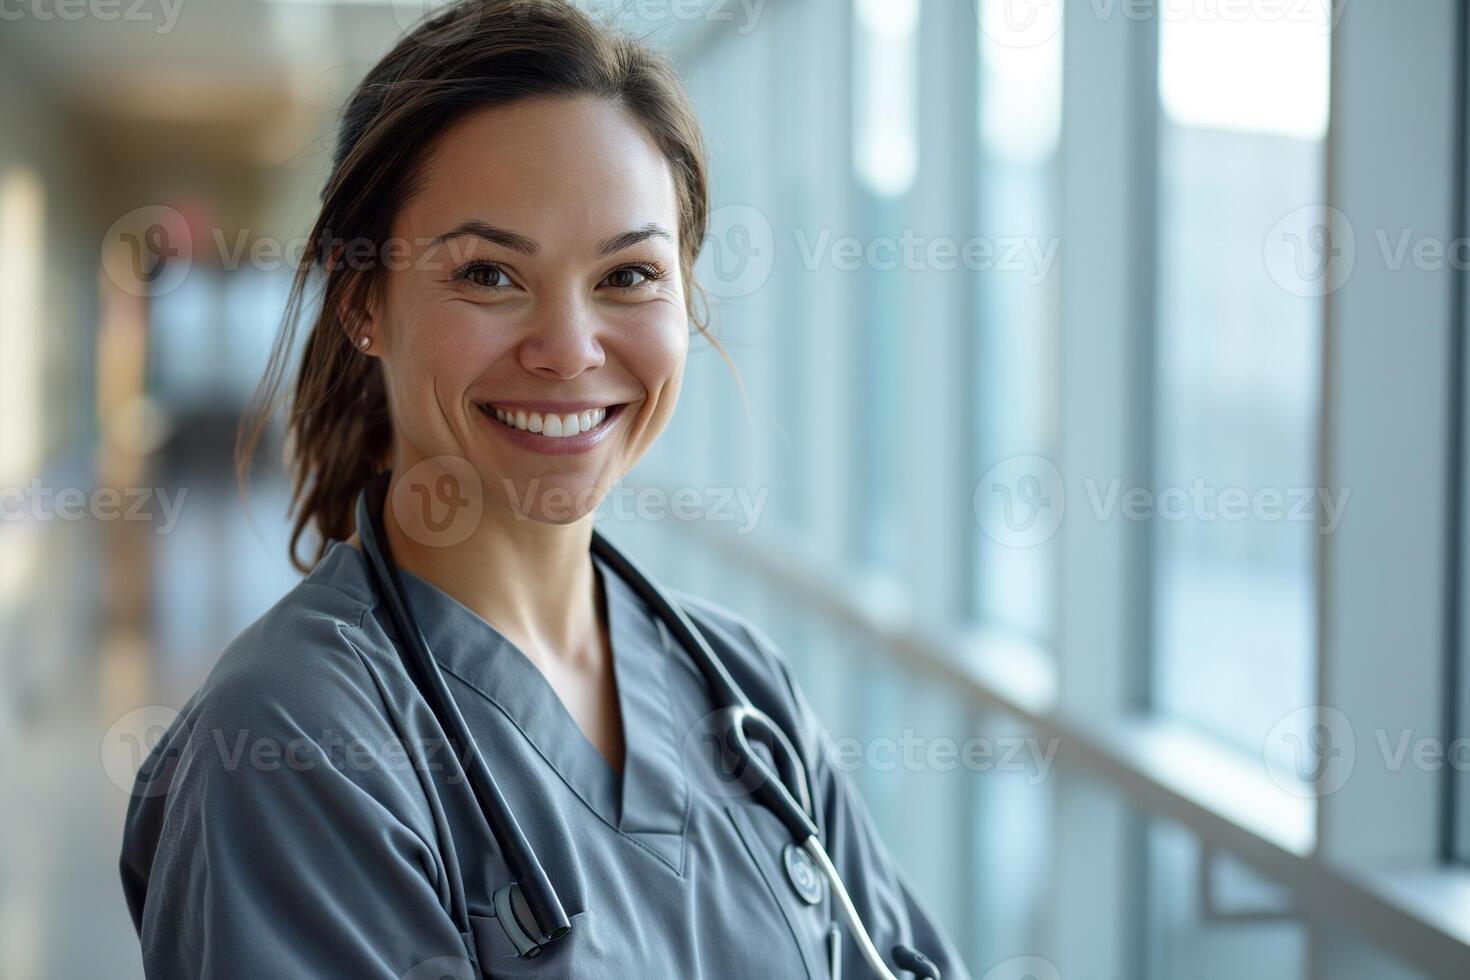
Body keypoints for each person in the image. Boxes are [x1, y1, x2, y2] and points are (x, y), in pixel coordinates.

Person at [118, 1, 972, 976]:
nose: (569, 349)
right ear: (362, 302)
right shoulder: (297, 738)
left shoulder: (740, 685)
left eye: (627, 274)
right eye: (488, 273)